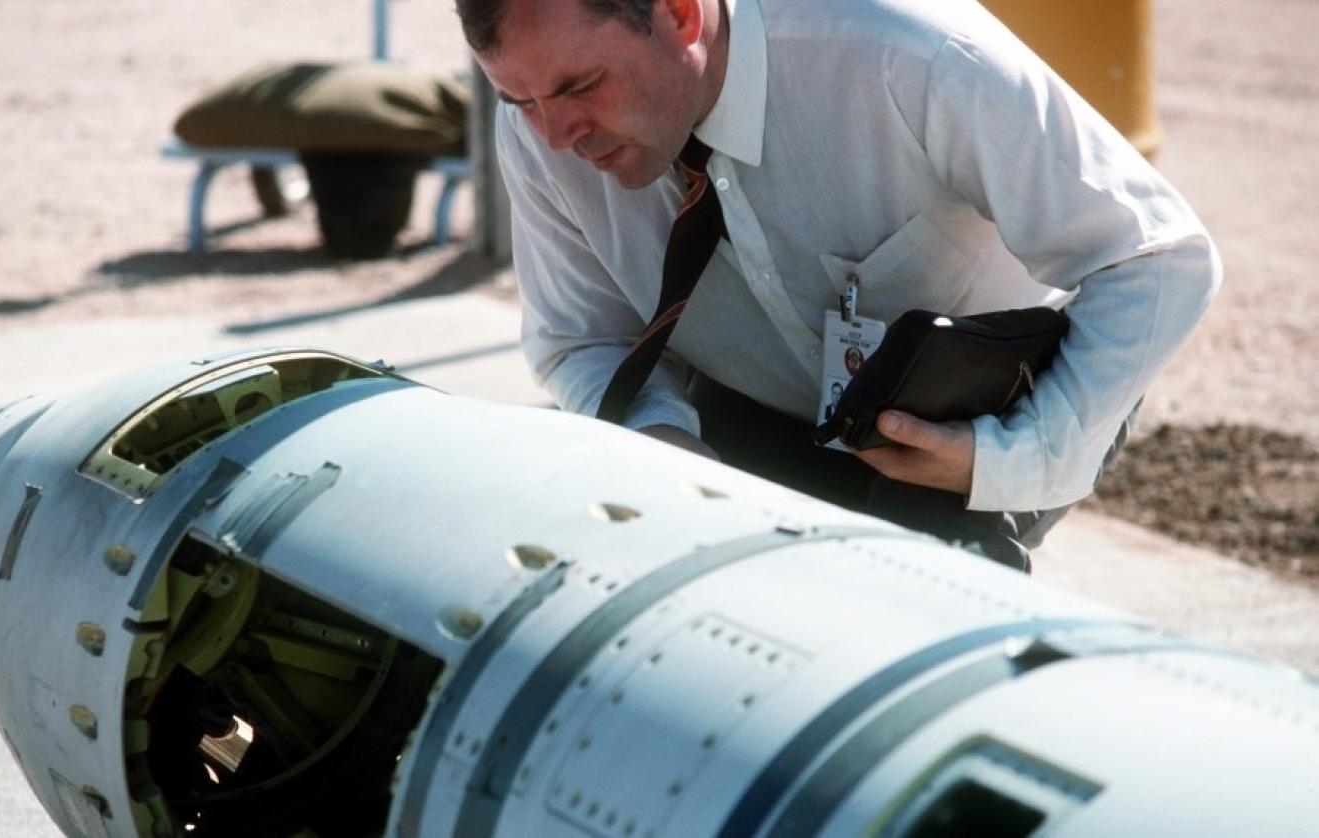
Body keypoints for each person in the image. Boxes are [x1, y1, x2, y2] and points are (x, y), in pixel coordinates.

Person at [457, 0, 1220, 568]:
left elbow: (1156, 258)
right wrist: (661, 444)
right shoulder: (540, 129)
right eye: (520, 101)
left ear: (681, 15)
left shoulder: (912, 53)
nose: (554, 137)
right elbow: (583, 337)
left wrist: (1010, 454)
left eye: (579, 86)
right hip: (748, 407)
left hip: (972, 418)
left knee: (915, 621)